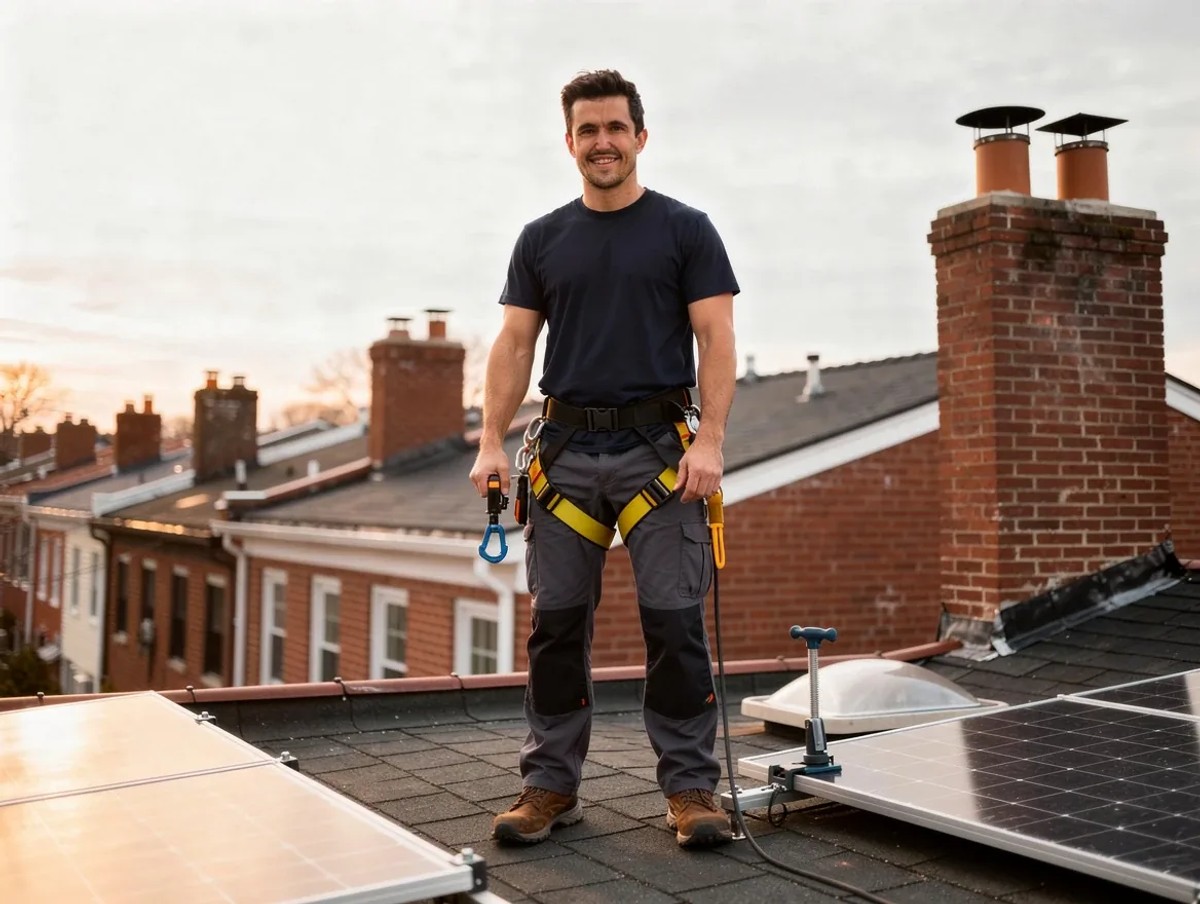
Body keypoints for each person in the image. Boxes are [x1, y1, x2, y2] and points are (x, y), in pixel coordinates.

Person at [469, 69, 739, 849]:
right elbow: (514, 343)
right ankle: (549, 786)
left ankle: (690, 790)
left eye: (616, 127)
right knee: (555, 627)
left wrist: (712, 441)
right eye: (588, 130)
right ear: (570, 143)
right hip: (564, 455)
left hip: (661, 455)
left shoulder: (686, 230)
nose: (603, 142)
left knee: (676, 625)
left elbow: (716, 337)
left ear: (640, 137)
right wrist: (489, 440)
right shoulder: (542, 239)